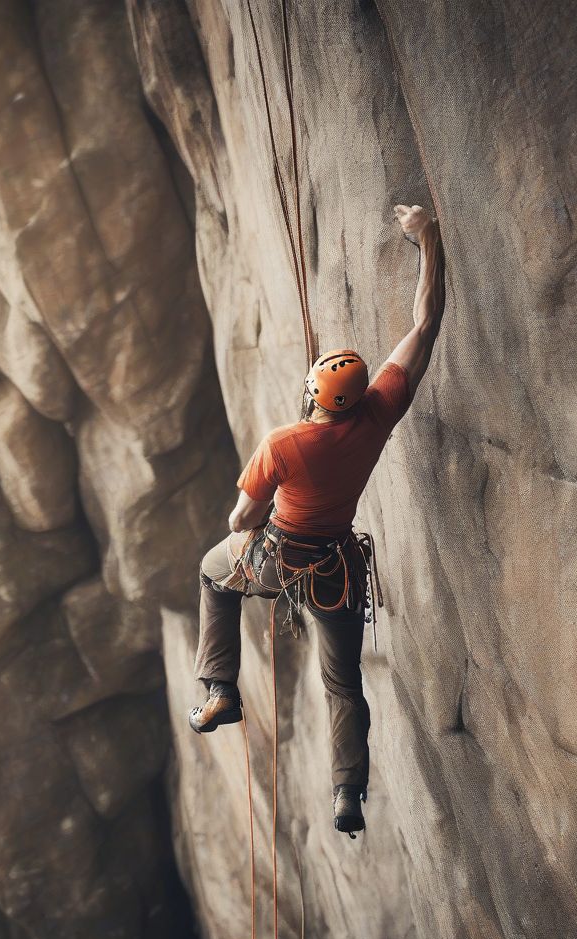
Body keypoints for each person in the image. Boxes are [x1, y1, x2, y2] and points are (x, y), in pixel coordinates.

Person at [189, 203, 445, 836]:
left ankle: (220, 689)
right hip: (337, 572)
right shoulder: (378, 411)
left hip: (277, 555)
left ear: (311, 394)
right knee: (343, 684)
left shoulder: (282, 445)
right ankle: (346, 795)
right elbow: (427, 321)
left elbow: (243, 514)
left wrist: (242, 514)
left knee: (212, 574)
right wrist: (427, 239)